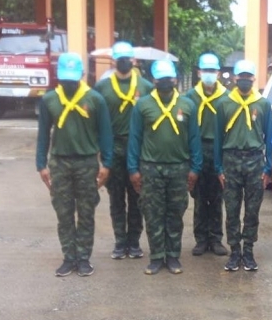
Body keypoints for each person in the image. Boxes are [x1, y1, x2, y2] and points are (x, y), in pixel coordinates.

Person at [36, 53, 113, 277]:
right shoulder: (49, 100)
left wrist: (106, 163)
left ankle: (84, 258)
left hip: (86, 162)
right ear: (58, 76)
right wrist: (41, 164)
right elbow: (43, 134)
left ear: (82, 75)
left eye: (73, 78)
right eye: (65, 79)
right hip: (59, 163)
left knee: (87, 212)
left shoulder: (95, 100)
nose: (69, 83)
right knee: (64, 212)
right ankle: (69, 258)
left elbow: (105, 133)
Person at [127, 60, 202, 275]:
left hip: (179, 168)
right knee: (153, 214)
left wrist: (195, 168)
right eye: (161, 79)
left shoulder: (187, 105)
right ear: (154, 81)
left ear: (175, 80)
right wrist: (133, 169)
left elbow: (194, 139)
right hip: (151, 168)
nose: (166, 82)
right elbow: (135, 138)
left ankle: (173, 256)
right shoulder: (143, 105)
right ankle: (157, 257)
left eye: (169, 78)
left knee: (175, 214)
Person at [93, 41, 153, 260]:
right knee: (116, 198)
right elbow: (96, 122)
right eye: (120, 59)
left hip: (138, 149)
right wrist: (100, 154)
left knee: (138, 197)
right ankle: (120, 242)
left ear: (134, 60)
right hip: (113, 147)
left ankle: (134, 242)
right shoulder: (102, 87)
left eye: (127, 58)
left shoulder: (146, 87)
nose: (124, 62)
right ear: (113, 60)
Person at [214, 60, 272, 272]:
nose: (244, 80)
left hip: (255, 161)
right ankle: (234, 252)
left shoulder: (263, 104)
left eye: (248, 76)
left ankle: (248, 251)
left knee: (252, 210)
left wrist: (269, 168)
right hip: (231, 160)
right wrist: (219, 168)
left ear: (254, 78)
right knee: (231, 209)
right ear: (235, 78)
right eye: (241, 76)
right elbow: (218, 138)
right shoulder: (224, 103)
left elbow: (270, 138)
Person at [186, 53, 230, 257]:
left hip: (219, 150)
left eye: (212, 70)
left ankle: (216, 239)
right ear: (199, 72)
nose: (209, 74)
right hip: (198, 149)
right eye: (206, 70)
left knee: (217, 197)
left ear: (218, 73)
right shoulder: (190, 97)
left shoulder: (227, 97)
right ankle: (201, 239)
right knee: (200, 198)